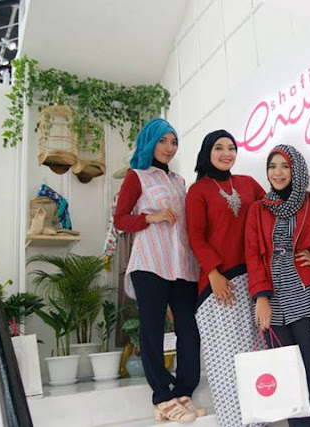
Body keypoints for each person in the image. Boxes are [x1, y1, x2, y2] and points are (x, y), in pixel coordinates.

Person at [245, 144, 310, 427]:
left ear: (296, 170)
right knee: (285, 372)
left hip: (306, 294)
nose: (277, 172)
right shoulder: (258, 209)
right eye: (272, 166)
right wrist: (260, 297)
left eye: (284, 166)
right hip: (272, 299)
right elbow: (252, 254)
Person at [114, 118, 204, 423]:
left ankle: (184, 391)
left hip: (182, 265)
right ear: (150, 142)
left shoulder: (179, 181)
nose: (169, 147)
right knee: (151, 328)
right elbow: (120, 219)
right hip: (151, 262)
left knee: (188, 329)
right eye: (163, 141)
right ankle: (162, 397)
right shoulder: (137, 177)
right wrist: (150, 218)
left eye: (173, 141)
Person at [185, 129, 267, 427]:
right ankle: (234, 423)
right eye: (219, 148)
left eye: (231, 148)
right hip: (218, 286)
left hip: (253, 282)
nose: (226, 153)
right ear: (207, 152)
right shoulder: (198, 191)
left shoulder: (247, 183)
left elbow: (271, 211)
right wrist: (213, 273)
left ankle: (260, 421)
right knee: (226, 361)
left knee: (255, 356)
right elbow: (196, 237)